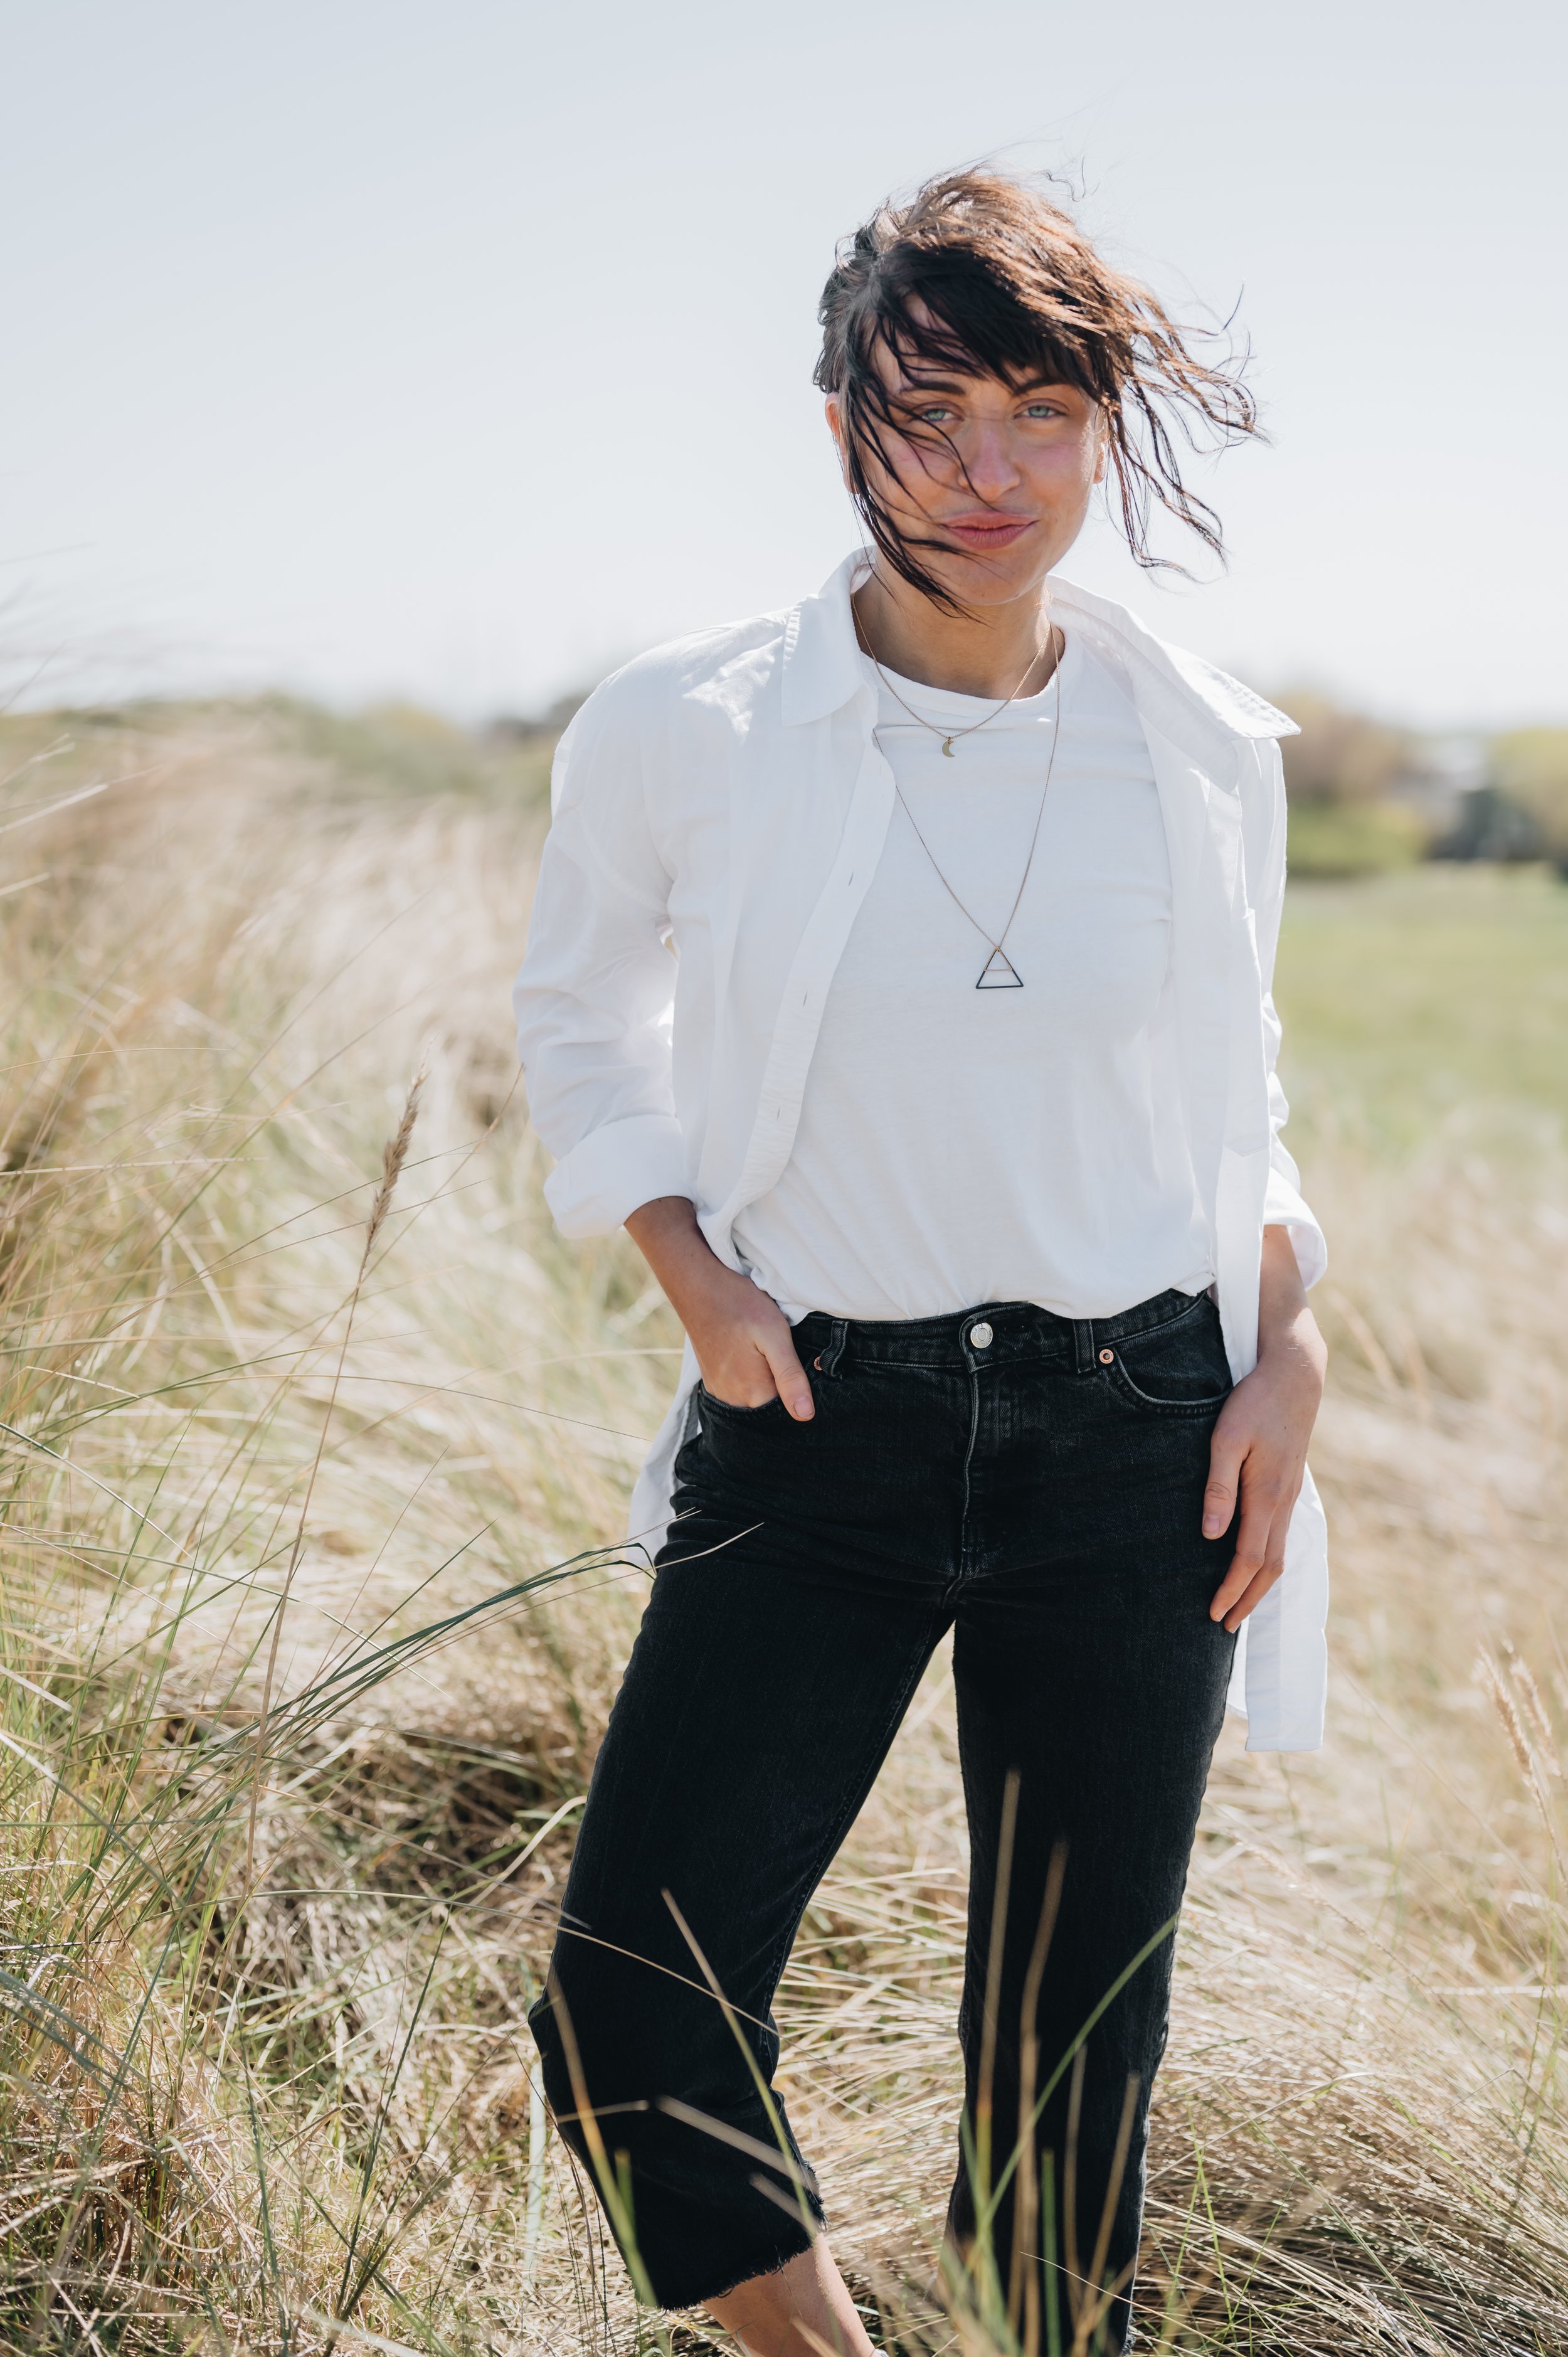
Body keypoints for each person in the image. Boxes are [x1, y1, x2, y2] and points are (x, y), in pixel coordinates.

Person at [513, 169, 1329, 2357]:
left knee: (1066, 2101)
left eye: (1040, 414)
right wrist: (685, 1264)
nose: (988, 475)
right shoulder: (686, 722)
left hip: (1140, 1441)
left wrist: (1288, 1350)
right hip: (820, 1434)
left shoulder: (1195, 741)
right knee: (629, 2015)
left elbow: (1227, 1083)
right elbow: (581, 1020)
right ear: (837, 425)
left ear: (1103, 427)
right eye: (929, 412)